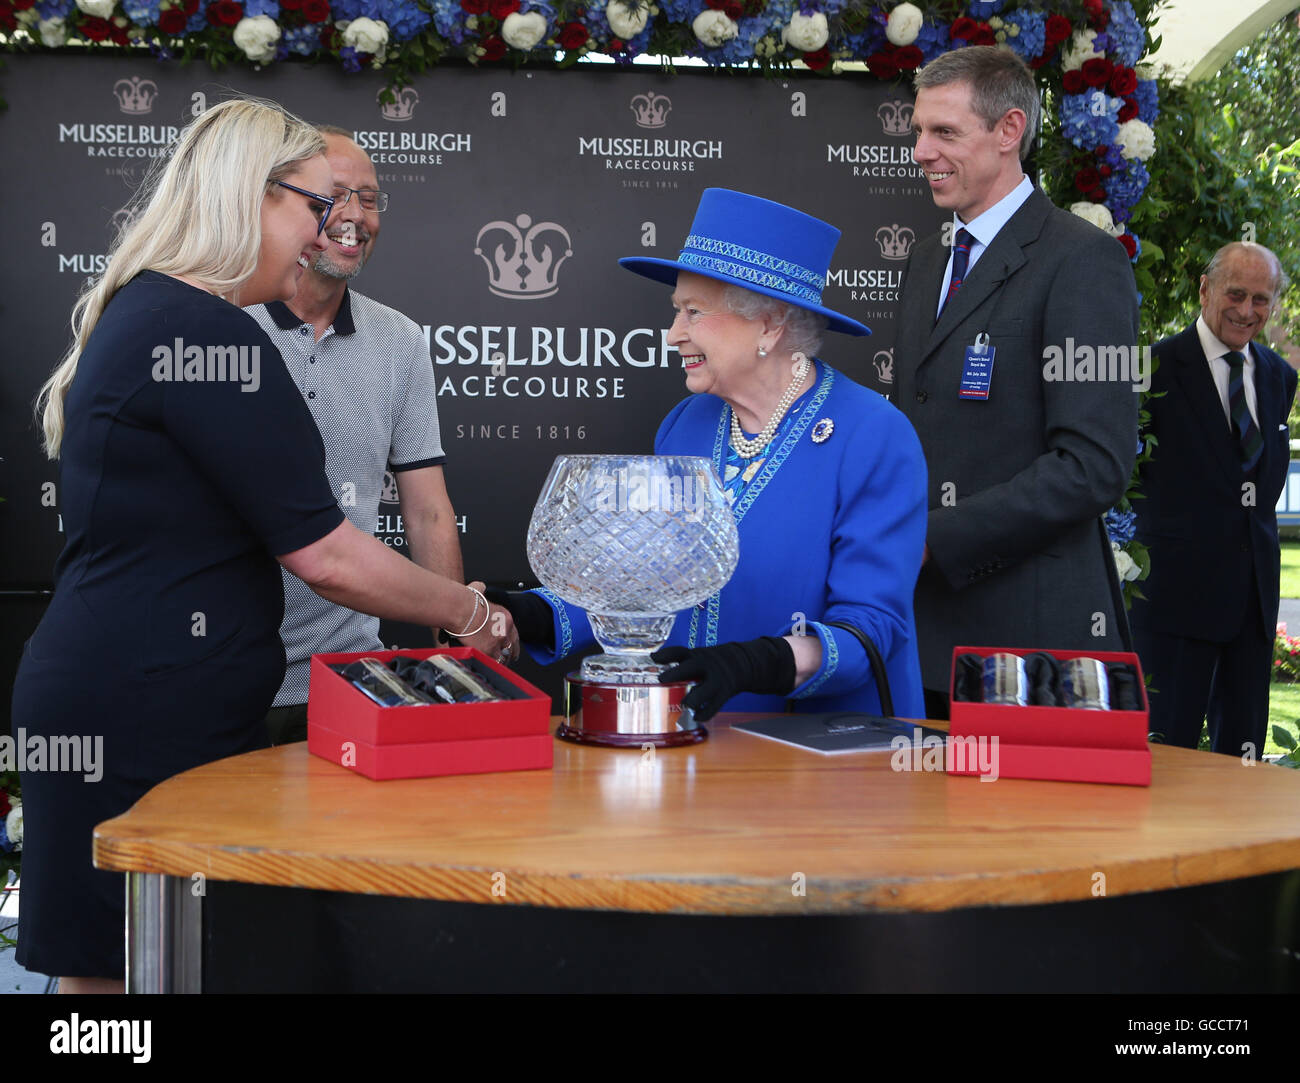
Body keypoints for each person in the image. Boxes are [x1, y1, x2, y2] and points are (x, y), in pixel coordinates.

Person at [13, 98, 516, 993]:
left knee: (136, 971)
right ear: (254, 196)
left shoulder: (156, 311)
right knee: (113, 978)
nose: (331, 229)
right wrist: (466, 610)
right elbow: (325, 552)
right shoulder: (203, 331)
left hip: (144, 696)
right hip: (139, 709)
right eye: (315, 206)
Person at [494, 188, 928, 721]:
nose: (674, 334)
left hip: (827, 764)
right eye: (677, 311)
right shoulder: (688, 425)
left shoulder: (873, 436)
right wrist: (532, 612)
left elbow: (871, 631)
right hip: (698, 739)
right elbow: (644, 583)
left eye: (694, 312)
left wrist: (757, 663)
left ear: (769, 324)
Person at [893, 46, 1139, 718]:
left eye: (944, 132)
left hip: (1025, 656)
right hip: (920, 645)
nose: (920, 150)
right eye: (918, 131)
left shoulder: (1086, 262)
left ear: (1008, 132)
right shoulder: (926, 258)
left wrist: (930, 541)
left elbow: (1095, 464)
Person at [248, 126, 464, 746]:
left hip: (344, 680)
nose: (353, 216)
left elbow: (426, 509)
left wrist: (456, 653)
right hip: (223, 677)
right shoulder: (222, 324)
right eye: (334, 195)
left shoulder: (399, 340)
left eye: (368, 199)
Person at [1131, 242, 1297, 755]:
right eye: (1237, 294)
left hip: (1252, 603)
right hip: (1173, 604)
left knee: (1241, 762)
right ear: (1205, 290)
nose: (1248, 311)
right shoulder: (1150, 370)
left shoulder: (1279, 376)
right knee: (1165, 758)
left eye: (1261, 300)